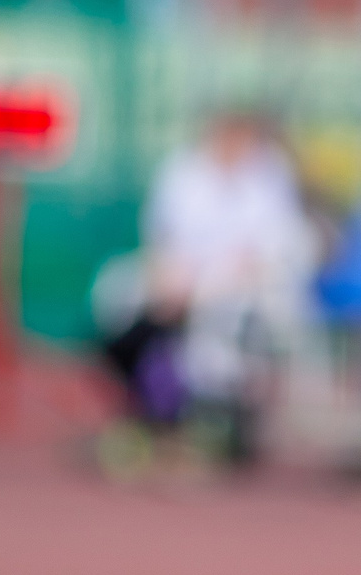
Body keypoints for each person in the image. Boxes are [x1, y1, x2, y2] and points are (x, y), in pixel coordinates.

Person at [96, 108, 319, 471]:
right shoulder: (181, 171)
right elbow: (162, 237)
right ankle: (153, 413)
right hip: (181, 280)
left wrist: (208, 284)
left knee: (215, 332)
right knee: (120, 295)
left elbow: (274, 250)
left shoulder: (270, 176)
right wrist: (172, 278)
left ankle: (211, 427)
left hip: (243, 289)